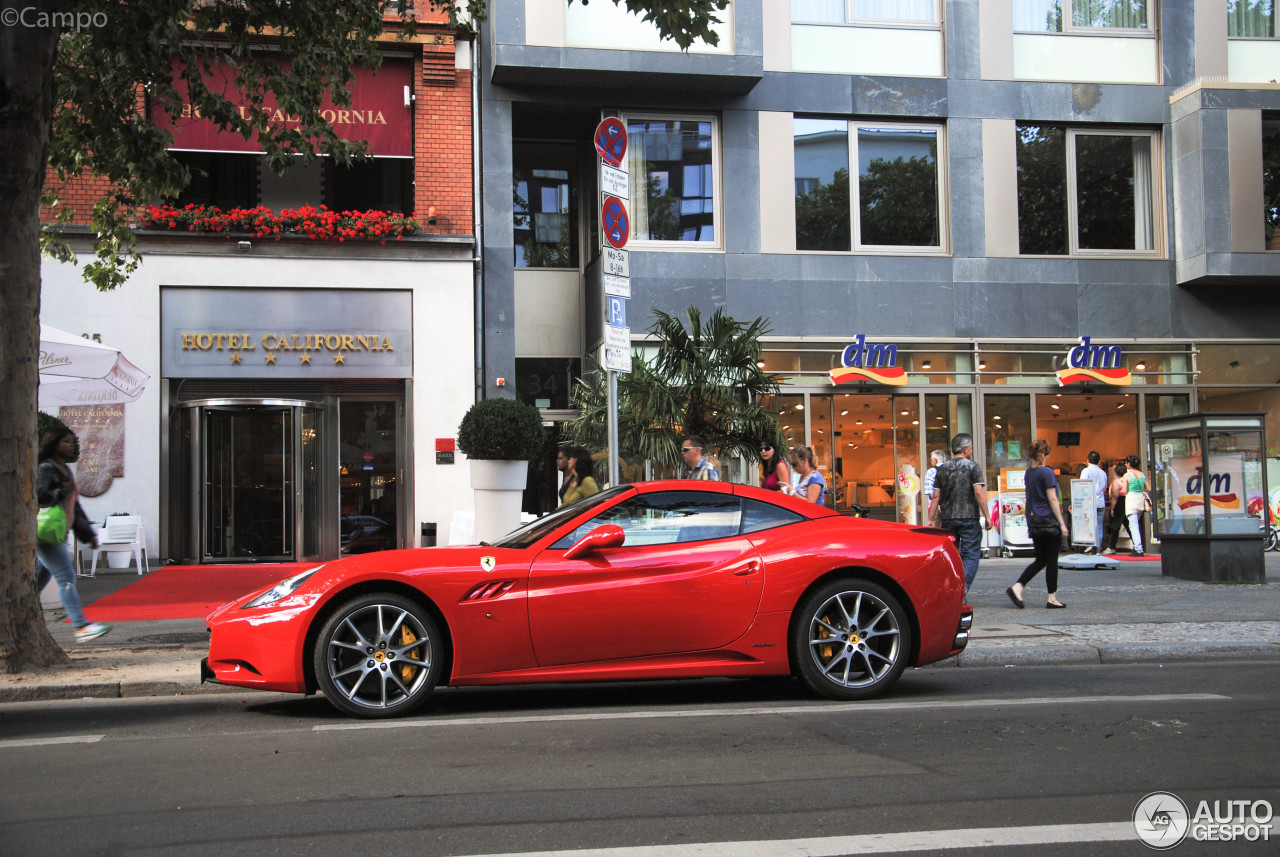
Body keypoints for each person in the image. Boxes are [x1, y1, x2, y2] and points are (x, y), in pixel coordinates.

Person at [35, 427, 110, 642]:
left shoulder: (65, 470)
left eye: (72, 441)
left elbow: (74, 507)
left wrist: (88, 535)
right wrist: (62, 490)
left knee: (37, 582)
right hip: (47, 533)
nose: (71, 445)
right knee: (66, 577)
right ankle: (81, 626)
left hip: (59, 531)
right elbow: (41, 496)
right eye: (66, 441)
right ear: (54, 443)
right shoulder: (47, 468)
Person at [1006, 439, 1068, 609]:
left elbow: (1029, 499)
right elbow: (1053, 499)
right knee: (1052, 561)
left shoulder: (1029, 473)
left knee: (1041, 559)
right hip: (1048, 521)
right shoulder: (1047, 473)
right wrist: (1062, 524)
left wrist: (1029, 523)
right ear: (1046, 454)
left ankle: (1018, 587)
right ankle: (1052, 598)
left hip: (1035, 522)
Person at [927, 432, 990, 591]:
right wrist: (987, 516)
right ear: (965, 449)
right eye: (971, 448)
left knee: (951, 557)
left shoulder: (942, 469)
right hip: (969, 518)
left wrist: (931, 518)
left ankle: (950, 589)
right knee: (970, 556)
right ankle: (961, 590)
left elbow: (935, 496)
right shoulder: (972, 467)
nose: (972, 451)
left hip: (948, 519)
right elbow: (979, 492)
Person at [1080, 450, 1110, 554]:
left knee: (1088, 524)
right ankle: (1097, 548)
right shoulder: (1103, 473)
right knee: (1099, 526)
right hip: (1100, 502)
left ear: (1087, 460)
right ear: (1098, 461)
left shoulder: (1086, 471)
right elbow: (1105, 489)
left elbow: (1082, 487)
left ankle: (1090, 546)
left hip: (1089, 502)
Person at [1119, 455, 1147, 557]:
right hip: (1140, 499)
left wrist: (1120, 491)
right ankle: (1136, 547)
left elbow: (1125, 491)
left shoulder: (1127, 475)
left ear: (1129, 464)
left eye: (1126, 463)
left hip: (1131, 500)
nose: (1126, 464)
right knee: (1135, 525)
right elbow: (1148, 488)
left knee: (1133, 526)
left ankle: (1139, 549)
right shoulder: (1142, 475)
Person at [1102, 461, 1133, 555]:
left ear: (1116, 472)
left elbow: (1115, 496)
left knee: (1115, 526)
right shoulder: (1129, 480)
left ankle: (1112, 547)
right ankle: (1137, 544)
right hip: (1129, 502)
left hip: (1119, 504)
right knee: (1130, 526)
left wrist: (1112, 508)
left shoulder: (1117, 482)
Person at [922, 449, 947, 525]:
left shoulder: (931, 471)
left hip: (934, 506)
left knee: (935, 531)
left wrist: (931, 516)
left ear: (935, 460)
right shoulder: (949, 470)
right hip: (948, 506)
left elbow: (931, 494)